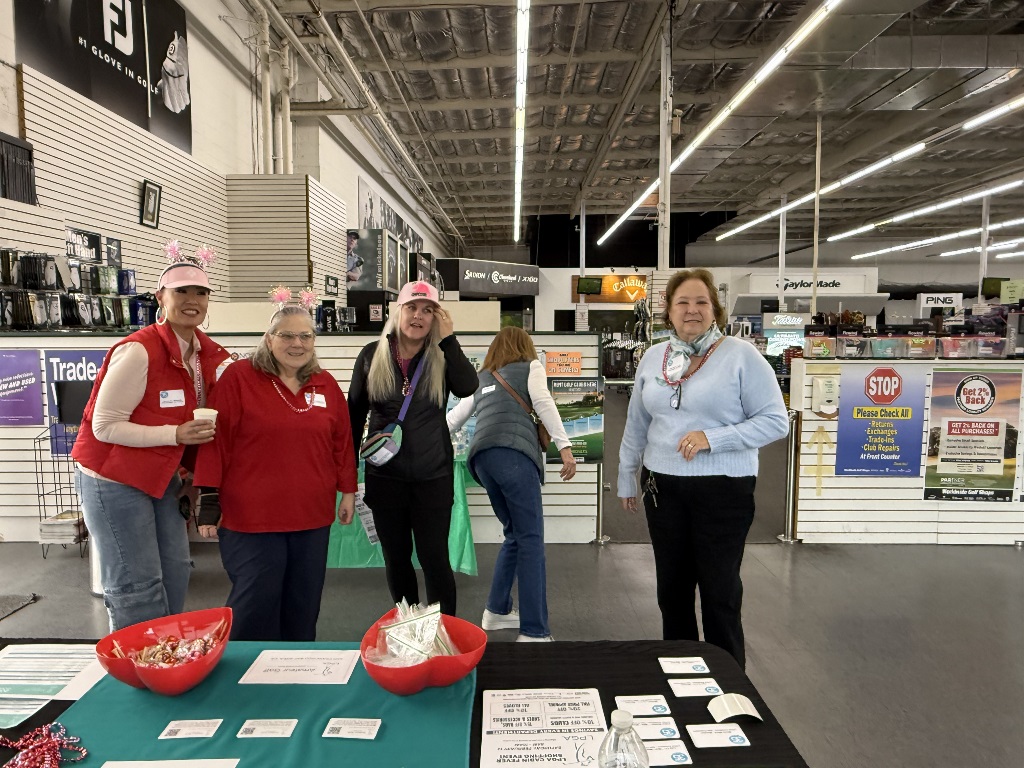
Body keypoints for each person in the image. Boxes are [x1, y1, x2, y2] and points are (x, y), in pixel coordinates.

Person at [617, 268, 788, 669]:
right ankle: (681, 676)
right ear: (669, 310)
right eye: (683, 302)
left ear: (715, 309)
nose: (691, 310)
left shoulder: (741, 356)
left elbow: (775, 421)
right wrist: (626, 475)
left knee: (719, 592)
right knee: (672, 592)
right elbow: (637, 422)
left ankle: (728, 681)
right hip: (662, 488)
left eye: (701, 302)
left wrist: (715, 438)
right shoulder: (653, 357)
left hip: (723, 489)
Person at [72, 260, 229, 631]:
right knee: (136, 584)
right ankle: (137, 659)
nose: (192, 300)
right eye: (181, 291)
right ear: (161, 297)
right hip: (112, 479)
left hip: (162, 476)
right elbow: (104, 427)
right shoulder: (139, 351)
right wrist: (175, 434)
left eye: (200, 292)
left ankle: (164, 648)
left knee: (176, 569)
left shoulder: (207, 355)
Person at [192, 306, 357, 641]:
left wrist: (348, 491)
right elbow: (216, 440)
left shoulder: (324, 384)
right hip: (251, 517)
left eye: (305, 336)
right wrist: (208, 496)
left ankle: (295, 666)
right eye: (287, 335)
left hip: (311, 515)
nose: (297, 343)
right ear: (269, 339)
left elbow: (342, 442)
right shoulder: (240, 378)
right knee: (255, 601)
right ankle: (245, 668)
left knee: (303, 603)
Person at [348, 281, 478, 616]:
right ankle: (409, 626)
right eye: (412, 308)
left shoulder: (442, 356)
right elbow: (353, 417)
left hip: (432, 478)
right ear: (398, 312)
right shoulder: (371, 355)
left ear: (436, 318)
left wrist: (449, 340)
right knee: (396, 558)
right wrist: (347, 478)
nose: (418, 316)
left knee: (435, 559)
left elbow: (468, 386)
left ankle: (443, 631)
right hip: (385, 479)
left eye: (427, 310)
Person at [446, 327, 576, 642]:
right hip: (514, 455)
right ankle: (534, 630)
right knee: (531, 539)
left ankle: (497, 610)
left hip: (482, 460)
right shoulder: (531, 367)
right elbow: (544, 403)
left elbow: (454, 418)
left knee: (515, 535)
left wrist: (419, 442)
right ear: (525, 346)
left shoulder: (481, 377)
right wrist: (565, 447)